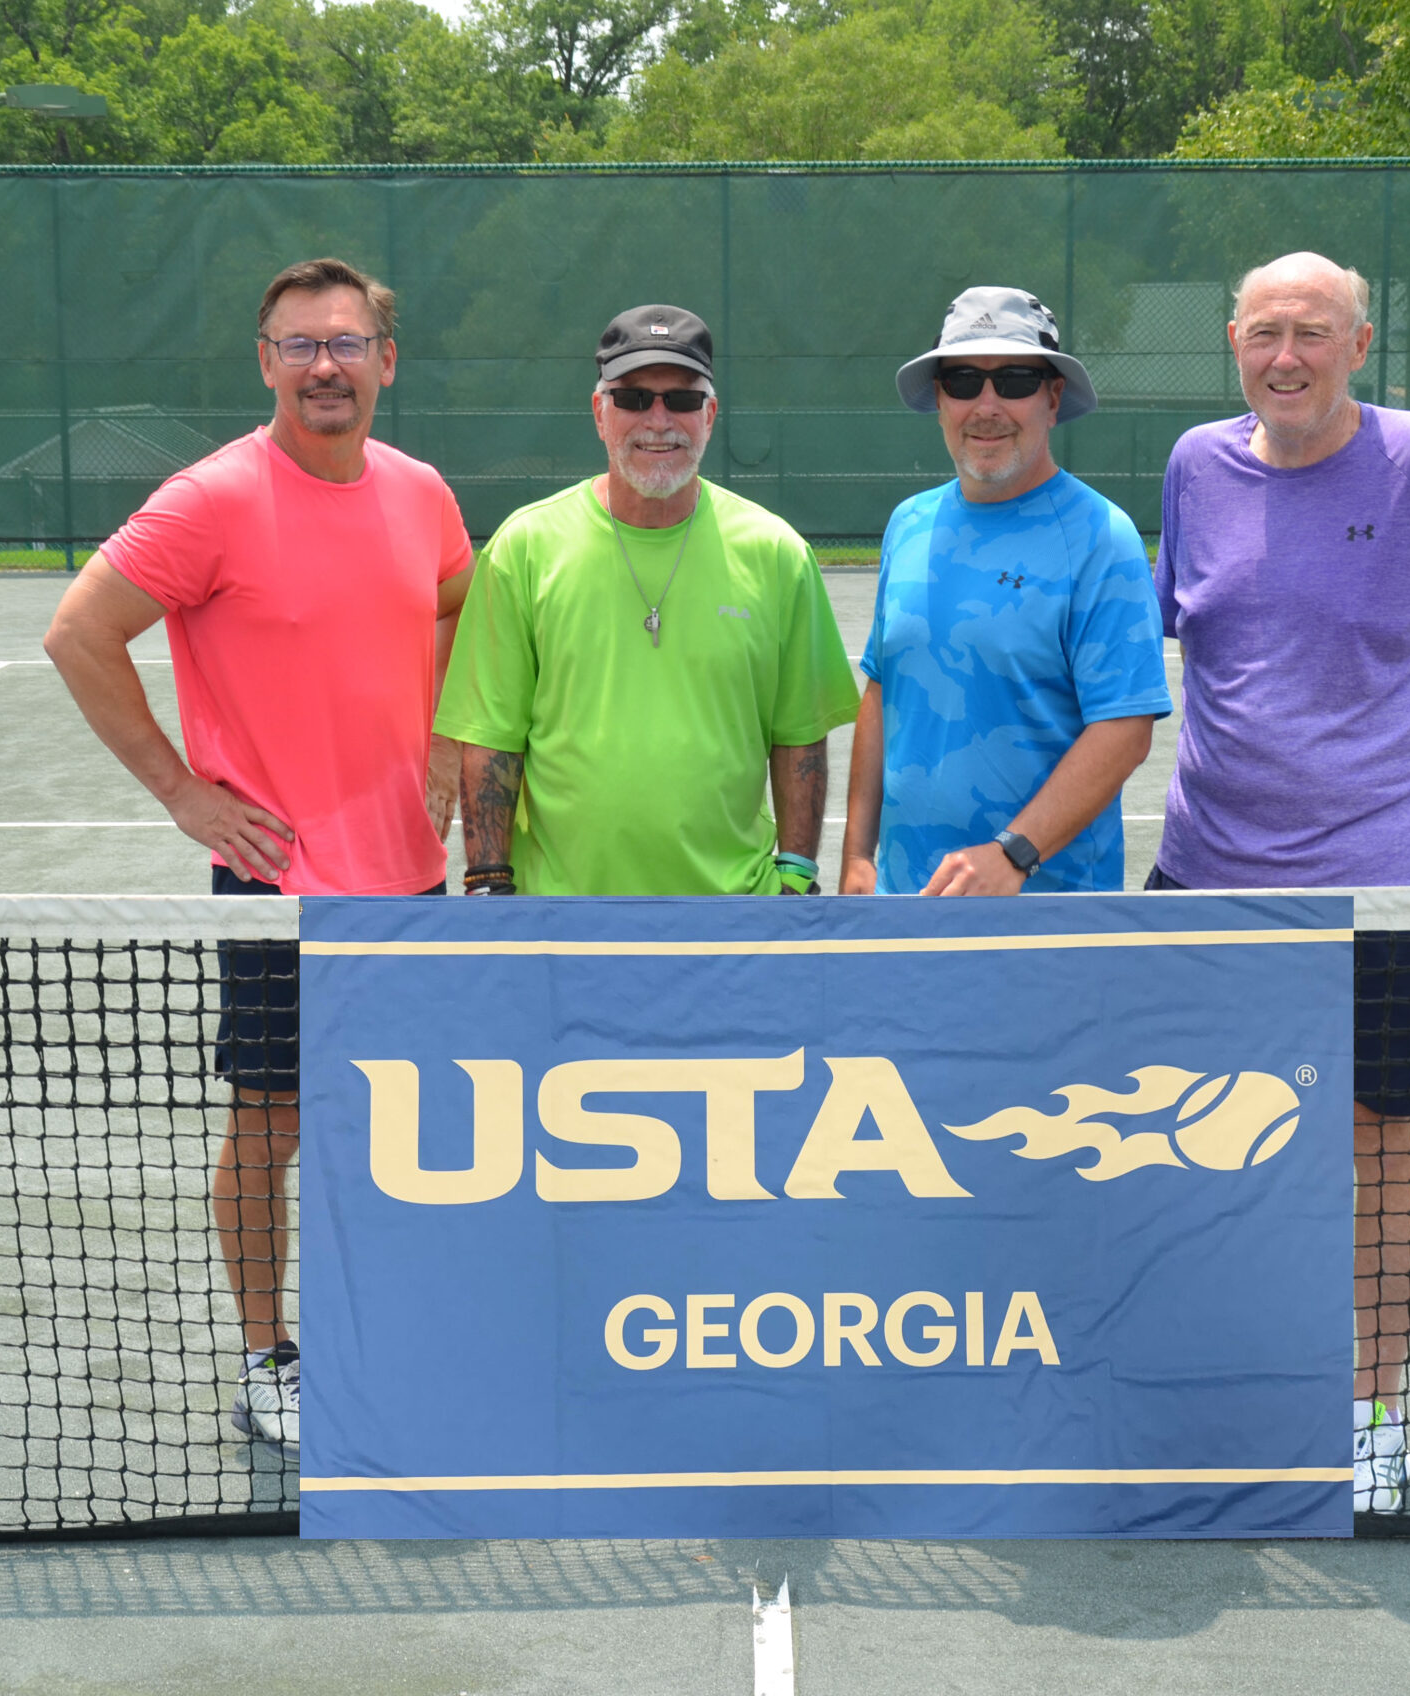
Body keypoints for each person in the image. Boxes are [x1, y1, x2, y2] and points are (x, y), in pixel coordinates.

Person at [42, 257, 473, 1453]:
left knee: (404, 1127)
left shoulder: (423, 493)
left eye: (345, 343)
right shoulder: (210, 499)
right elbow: (79, 632)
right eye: (299, 345)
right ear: (267, 362)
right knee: (271, 1129)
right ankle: (267, 1357)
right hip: (275, 892)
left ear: (386, 361)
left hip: (410, 882)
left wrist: (446, 736)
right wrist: (180, 790)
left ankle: (385, 1338)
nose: (324, 365)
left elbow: (455, 604)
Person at [1149, 251, 1410, 1513]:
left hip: (1383, 895)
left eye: (1311, 332)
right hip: (1205, 878)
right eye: (1263, 332)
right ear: (1233, 343)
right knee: (1193, 1136)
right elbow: (1180, 641)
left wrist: (1409, 797)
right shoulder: (1195, 466)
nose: (1285, 357)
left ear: (1359, 345)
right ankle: (1228, 1388)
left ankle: (1368, 1414)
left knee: (1378, 1140)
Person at [436, 306, 859, 897]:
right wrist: (487, 882)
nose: (658, 421)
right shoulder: (524, 548)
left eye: (682, 399)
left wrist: (796, 876)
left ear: (709, 415)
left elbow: (800, 736)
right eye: (633, 398)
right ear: (599, 413)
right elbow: (491, 739)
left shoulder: (778, 554)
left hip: (734, 916)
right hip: (562, 917)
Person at [839, 286, 1169, 896]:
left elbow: (1125, 730)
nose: (986, 405)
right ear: (941, 399)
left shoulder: (1101, 536)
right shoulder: (908, 523)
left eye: (1015, 380)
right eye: (963, 381)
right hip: (904, 909)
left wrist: (1013, 853)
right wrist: (858, 856)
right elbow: (883, 691)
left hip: (1046, 920)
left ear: (1053, 397)